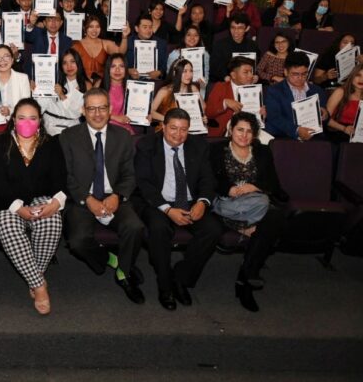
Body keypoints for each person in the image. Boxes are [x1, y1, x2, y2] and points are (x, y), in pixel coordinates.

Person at [59, 88, 145, 303]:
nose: (97, 114)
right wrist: (87, 199)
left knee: (135, 227)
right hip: (82, 199)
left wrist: (118, 195)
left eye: (102, 108)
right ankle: (110, 258)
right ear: (83, 111)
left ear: (110, 109)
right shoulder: (68, 137)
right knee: (77, 241)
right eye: (91, 108)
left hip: (114, 196)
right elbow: (66, 177)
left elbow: (130, 175)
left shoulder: (124, 137)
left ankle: (123, 273)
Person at [134, 107, 224, 310]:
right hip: (157, 202)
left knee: (213, 230)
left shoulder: (198, 146)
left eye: (184, 129)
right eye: (173, 128)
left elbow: (208, 179)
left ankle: (181, 279)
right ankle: (165, 285)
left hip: (190, 201)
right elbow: (144, 183)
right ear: (163, 127)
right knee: (158, 229)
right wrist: (167, 209)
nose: (178, 134)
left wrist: (203, 202)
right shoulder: (147, 145)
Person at [209, 111, 287, 312]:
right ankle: (247, 277)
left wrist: (255, 186)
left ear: (255, 135)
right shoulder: (217, 150)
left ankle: (246, 276)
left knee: (272, 213)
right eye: (240, 130)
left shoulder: (262, 152)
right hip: (227, 202)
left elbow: (274, 183)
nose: (244, 135)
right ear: (230, 130)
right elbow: (209, 180)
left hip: (254, 203)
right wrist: (229, 188)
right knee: (269, 223)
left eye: (249, 132)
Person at [265, 51, 329, 140]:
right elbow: (275, 118)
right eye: (295, 74)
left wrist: (325, 115)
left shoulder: (317, 90)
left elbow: (325, 120)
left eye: (304, 74)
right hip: (285, 138)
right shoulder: (275, 91)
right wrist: (297, 130)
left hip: (313, 138)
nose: (300, 78)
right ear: (286, 72)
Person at [206, 57, 264, 138]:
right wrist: (225, 103)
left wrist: (262, 114)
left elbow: (260, 118)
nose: (251, 75)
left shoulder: (256, 91)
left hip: (250, 133)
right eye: (246, 72)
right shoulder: (221, 87)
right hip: (224, 134)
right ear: (233, 75)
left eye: (251, 72)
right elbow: (209, 113)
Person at [37, 48, 87, 136]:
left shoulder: (85, 85)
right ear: (61, 66)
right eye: (65, 63)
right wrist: (37, 91)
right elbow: (40, 107)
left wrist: (61, 95)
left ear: (78, 63)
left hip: (70, 128)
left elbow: (75, 113)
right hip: (49, 126)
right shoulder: (54, 81)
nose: (69, 66)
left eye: (72, 61)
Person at [150, 58, 206, 129]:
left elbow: (203, 107)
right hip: (167, 128)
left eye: (191, 71)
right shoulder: (165, 91)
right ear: (175, 73)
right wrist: (169, 120)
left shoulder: (193, 88)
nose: (189, 75)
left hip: (189, 128)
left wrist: (202, 117)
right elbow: (151, 111)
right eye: (184, 71)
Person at [209, 13, 260, 83]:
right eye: (233, 27)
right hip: (226, 82)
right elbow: (215, 66)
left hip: (247, 83)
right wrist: (225, 77)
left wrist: (256, 76)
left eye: (240, 28)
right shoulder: (220, 45)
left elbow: (257, 65)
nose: (236, 31)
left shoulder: (253, 45)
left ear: (247, 28)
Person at [125, 12, 169, 81]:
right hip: (132, 80)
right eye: (145, 27)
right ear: (136, 29)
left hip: (154, 81)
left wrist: (159, 72)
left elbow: (165, 65)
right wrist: (128, 70)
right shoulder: (128, 42)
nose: (148, 30)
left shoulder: (161, 43)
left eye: (150, 27)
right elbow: (120, 62)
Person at [325, 62, 363, 142]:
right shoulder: (340, 92)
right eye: (358, 75)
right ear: (352, 76)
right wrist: (344, 128)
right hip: (339, 133)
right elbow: (325, 118)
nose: (361, 79)